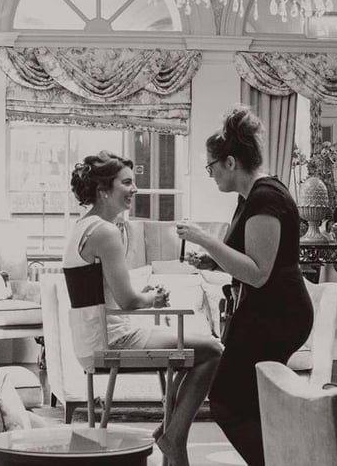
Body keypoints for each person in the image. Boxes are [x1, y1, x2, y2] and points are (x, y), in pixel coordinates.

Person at [63, 150, 223, 466]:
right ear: (103, 189)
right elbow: (128, 301)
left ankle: (169, 432)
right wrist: (153, 299)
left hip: (91, 337)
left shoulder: (83, 227)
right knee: (214, 350)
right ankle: (173, 437)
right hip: (112, 339)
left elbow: (111, 294)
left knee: (198, 352)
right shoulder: (105, 231)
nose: (134, 189)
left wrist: (143, 295)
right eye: (126, 183)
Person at [177, 106, 314, 466]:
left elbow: (258, 273)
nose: (210, 175)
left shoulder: (266, 198)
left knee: (227, 401)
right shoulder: (249, 198)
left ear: (231, 162)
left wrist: (205, 239)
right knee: (249, 402)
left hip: (279, 315)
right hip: (265, 312)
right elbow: (248, 259)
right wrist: (212, 260)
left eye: (211, 166)